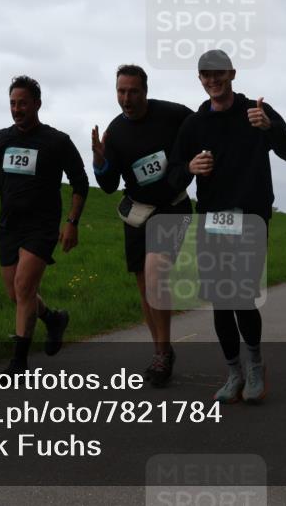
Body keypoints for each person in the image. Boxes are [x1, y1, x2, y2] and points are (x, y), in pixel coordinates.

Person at [169, 50, 286, 404]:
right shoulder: (195, 124)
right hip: (213, 217)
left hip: (250, 215)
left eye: (218, 73)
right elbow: (172, 173)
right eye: (205, 75)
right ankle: (233, 372)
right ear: (199, 79)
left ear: (232, 72)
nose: (212, 80)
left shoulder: (256, 112)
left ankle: (256, 366)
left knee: (241, 295)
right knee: (219, 299)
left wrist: (271, 129)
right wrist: (189, 169)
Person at [0, 75, 89, 374]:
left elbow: (80, 183)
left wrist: (72, 223)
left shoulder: (57, 141)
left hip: (41, 227)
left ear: (37, 104)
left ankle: (19, 361)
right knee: (17, 295)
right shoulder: (2, 138)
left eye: (23, 103)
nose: (17, 109)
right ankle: (53, 319)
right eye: (13, 103)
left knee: (23, 286)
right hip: (9, 226)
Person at [92, 65, 193, 387]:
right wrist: (99, 162)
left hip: (173, 207)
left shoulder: (173, 115)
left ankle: (162, 355)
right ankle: (161, 350)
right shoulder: (116, 132)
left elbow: (202, 130)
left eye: (133, 91)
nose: (126, 98)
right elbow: (108, 184)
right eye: (121, 91)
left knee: (155, 271)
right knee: (145, 286)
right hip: (138, 212)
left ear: (145, 91)